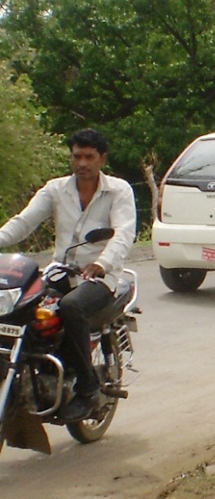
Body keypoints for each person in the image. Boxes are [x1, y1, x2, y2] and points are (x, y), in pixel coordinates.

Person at [0, 128, 136, 421]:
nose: (82, 163)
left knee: (71, 307)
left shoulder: (118, 191)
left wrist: (101, 263)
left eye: (89, 157)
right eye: (77, 156)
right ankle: (34, 370)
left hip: (100, 276)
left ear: (102, 159)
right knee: (17, 306)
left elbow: (124, 233)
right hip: (60, 271)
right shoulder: (55, 189)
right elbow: (24, 223)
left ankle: (87, 388)